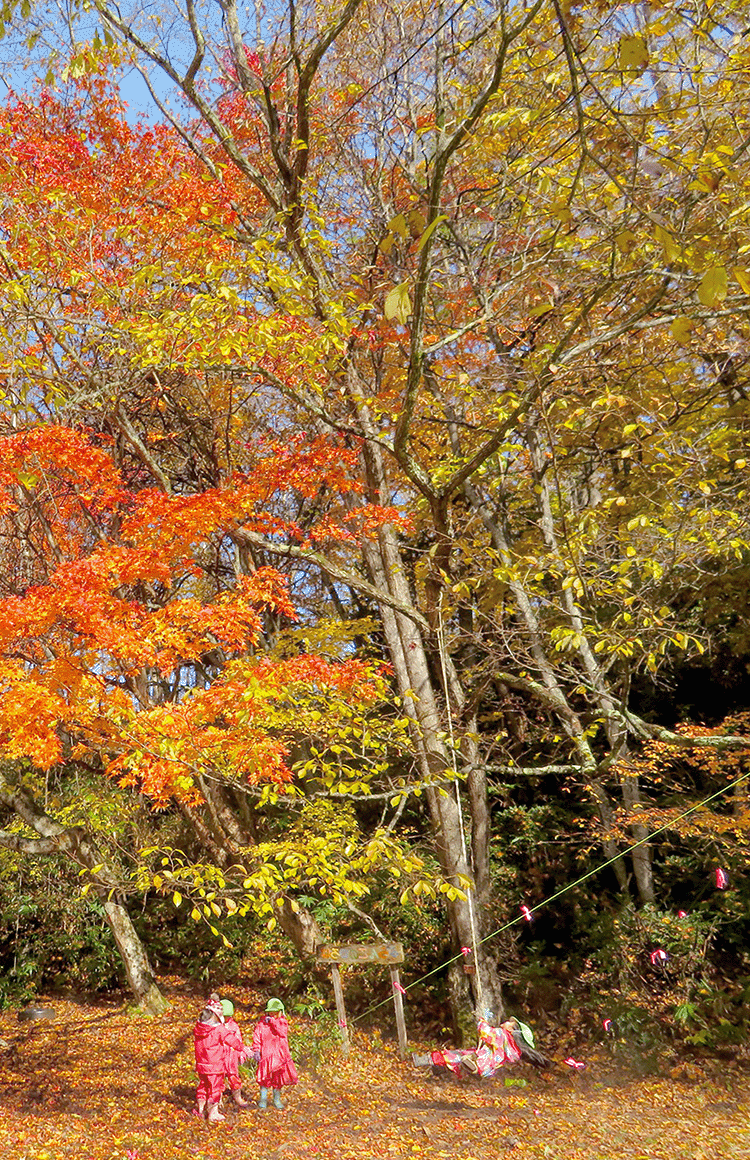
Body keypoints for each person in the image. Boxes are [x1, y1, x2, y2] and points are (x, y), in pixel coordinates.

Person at [193, 992, 243, 1122]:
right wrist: (243, 1048)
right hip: (214, 1065)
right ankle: (213, 1113)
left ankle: (200, 1109)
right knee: (215, 1087)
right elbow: (231, 1040)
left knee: (203, 1085)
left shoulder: (199, 1029)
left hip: (202, 1064)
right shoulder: (219, 1029)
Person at [251, 997, 298, 1110]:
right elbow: (257, 1036)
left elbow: (282, 1033)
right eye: (270, 1012)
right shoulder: (262, 1024)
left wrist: (273, 1022)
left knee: (278, 1079)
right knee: (264, 1078)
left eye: (274, 1012)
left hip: (279, 1056)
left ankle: (276, 1099)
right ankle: (263, 1099)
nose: (272, 1014)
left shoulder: (282, 1022)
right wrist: (256, 1050)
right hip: (266, 1056)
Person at [220, 998, 251, 1109]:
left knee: (234, 1077)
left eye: (228, 1016)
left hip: (232, 1056)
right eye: (224, 1016)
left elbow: (238, 1040)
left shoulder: (234, 1026)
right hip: (220, 1057)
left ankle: (237, 1097)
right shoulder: (217, 1026)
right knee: (218, 1078)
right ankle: (217, 1099)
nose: (226, 1018)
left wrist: (241, 1053)